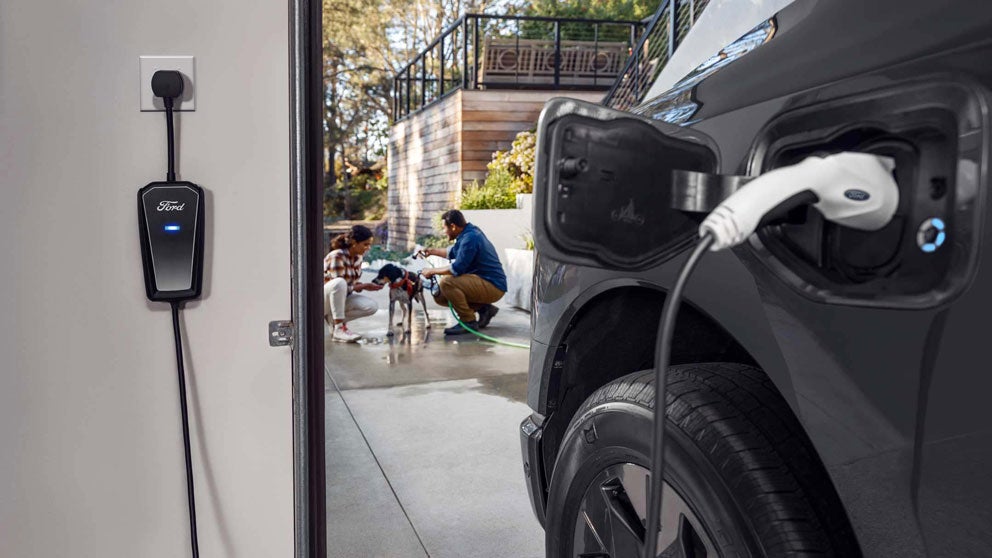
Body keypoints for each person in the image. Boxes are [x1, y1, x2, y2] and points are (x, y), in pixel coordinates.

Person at [420, 210, 507, 335]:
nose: (443, 232)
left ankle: (468, 322)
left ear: (453, 226)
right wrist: (431, 251)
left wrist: (431, 271)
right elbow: (452, 252)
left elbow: (457, 269)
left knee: (447, 283)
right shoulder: (467, 234)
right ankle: (484, 309)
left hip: (493, 285)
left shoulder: (470, 238)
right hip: (484, 283)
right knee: (440, 296)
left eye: (444, 228)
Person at [324, 224, 383, 342]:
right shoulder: (337, 255)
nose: (368, 248)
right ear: (354, 242)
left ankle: (332, 319)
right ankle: (339, 328)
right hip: (322, 301)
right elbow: (339, 285)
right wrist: (363, 286)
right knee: (339, 283)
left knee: (371, 306)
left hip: (340, 299)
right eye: (365, 244)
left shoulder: (358, 258)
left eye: (369, 244)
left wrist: (363, 286)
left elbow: (350, 284)